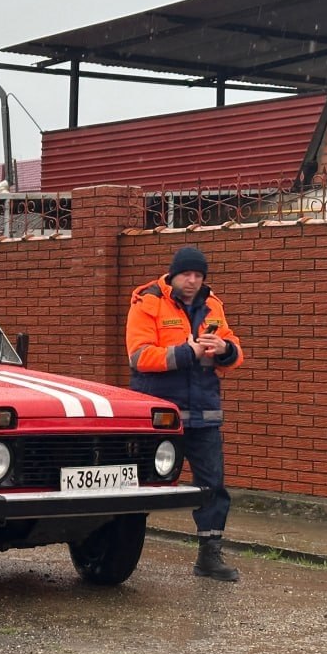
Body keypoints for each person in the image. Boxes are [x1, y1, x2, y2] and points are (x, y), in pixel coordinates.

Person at [126, 245, 244, 582]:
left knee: (213, 486)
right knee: (140, 483)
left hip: (205, 413)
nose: (192, 281)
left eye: (198, 275)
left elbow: (235, 350)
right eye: (186, 274)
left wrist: (225, 349)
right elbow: (139, 357)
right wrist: (188, 352)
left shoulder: (213, 305)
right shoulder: (148, 301)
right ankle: (118, 548)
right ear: (173, 274)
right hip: (160, 414)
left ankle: (210, 556)